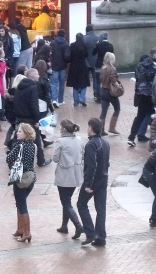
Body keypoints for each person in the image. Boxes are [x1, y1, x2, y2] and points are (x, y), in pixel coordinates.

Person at [77, 117, 110, 247]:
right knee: (101, 209)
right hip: (103, 179)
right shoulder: (105, 143)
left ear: (91, 128)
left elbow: (91, 166)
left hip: (94, 180)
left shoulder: (91, 144)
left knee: (81, 204)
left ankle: (90, 232)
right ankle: (101, 237)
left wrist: (88, 184)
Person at [52, 119, 85, 239]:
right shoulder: (79, 140)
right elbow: (83, 155)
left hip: (64, 175)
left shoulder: (60, 141)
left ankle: (78, 225)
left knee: (66, 202)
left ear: (64, 129)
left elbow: (55, 159)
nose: (59, 129)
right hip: (76, 174)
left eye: (60, 127)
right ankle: (64, 226)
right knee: (67, 201)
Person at [6, 123, 38, 243]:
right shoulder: (34, 146)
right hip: (31, 178)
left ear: (26, 133)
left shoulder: (20, 146)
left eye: (19, 131)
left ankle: (27, 232)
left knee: (22, 205)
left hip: (20, 178)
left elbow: (8, 158)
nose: (17, 133)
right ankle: (20, 229)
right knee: (20, 203)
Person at [127, 48, 156, 147]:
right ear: (154, 55)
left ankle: (131, 137)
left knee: (140, 116)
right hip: (151, 95)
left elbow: (137, 78)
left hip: (140, 94)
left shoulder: (139, 65)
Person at [99, 52, 122, 135]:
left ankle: (101, 129)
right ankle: (112, 127)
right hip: (110, 92)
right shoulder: (112, 68)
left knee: (103, 111)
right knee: (117, 108)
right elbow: (112, 79)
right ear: (111, 59)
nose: (115, 60)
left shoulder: (103, 68)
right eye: (114, 58)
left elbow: (101, 79)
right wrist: (118, 86)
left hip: (103, 90)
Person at [68, 33, 90, 108]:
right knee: (84, 83)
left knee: (75, 84)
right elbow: (87, 55)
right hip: (83, 66)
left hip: (74, 66)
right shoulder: (84, 45)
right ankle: (82, 99)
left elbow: (70, 56)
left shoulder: (72, 45)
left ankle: (76, 102)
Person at [49, 29, 70, 106]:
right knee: (61, 84)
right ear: (64, 35)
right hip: (63, 66)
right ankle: (60, 100)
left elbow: (50, 54)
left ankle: (54, 99)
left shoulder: (52, 43)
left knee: (54, 83)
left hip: (54, 65)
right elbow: (67, 56)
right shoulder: (66, 43)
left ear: (57, 35)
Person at [92, 31, 114, 104]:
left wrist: (96, 44)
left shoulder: (98, 45)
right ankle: (106, 96)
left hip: (99, 64)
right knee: (107, 81)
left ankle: (98, 97)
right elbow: (112, 55)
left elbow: (93, 53)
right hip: (107, 65)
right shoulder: (110, 45)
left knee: (98, 81)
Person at [83, 25, 100, 102]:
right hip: (95, 61)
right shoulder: (98, 38)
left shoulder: (84, 38)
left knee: (85, 79)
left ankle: (83, 95)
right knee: (95, 79)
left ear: (86, 30)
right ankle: (96, 94)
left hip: (86, 62)